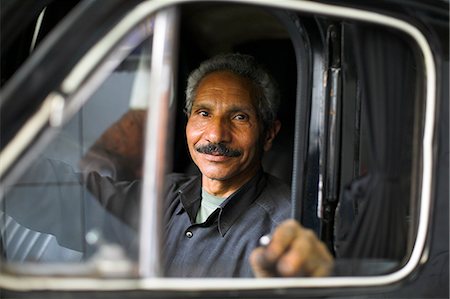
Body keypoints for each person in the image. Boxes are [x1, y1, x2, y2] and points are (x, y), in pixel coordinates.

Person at [82, 53, 333, 277]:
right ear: (187, 121)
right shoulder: (163, 194)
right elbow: (70, 198)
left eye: (239, 117)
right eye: (203, 113)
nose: (215, 135)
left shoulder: (287, 230)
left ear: (268, 134)